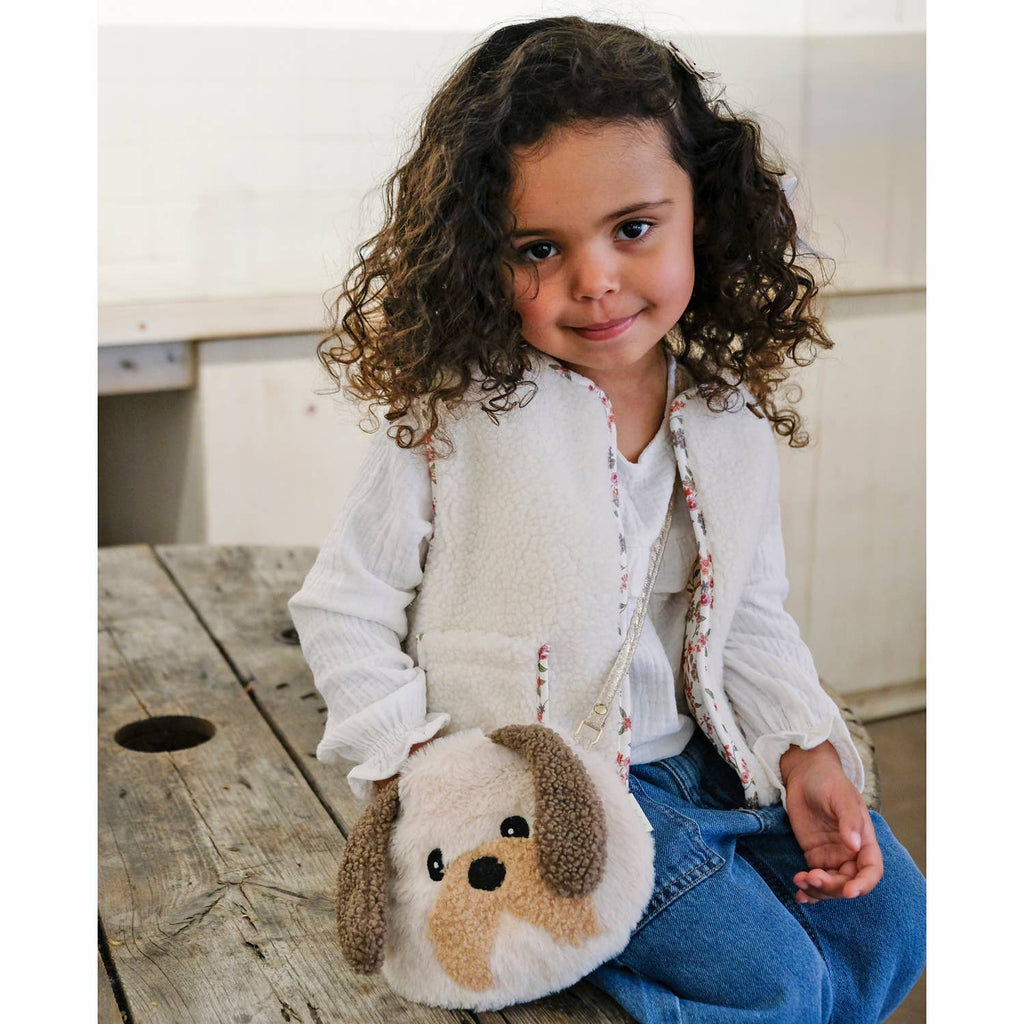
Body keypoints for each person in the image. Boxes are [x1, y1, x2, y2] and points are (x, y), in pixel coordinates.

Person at [289, 16, 925, 1022]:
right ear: (477, 255)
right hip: (554, 796)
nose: (593, 280)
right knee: (778, 982)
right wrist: (423, 770)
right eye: (538, 247)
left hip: (705, 766)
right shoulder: (458, 414)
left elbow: (749, 616)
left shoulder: (725, 416)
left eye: (633, 228)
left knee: (889, 920)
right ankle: (545, 966)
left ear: (700, 217)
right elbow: (342, 608)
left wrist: (801, 747)